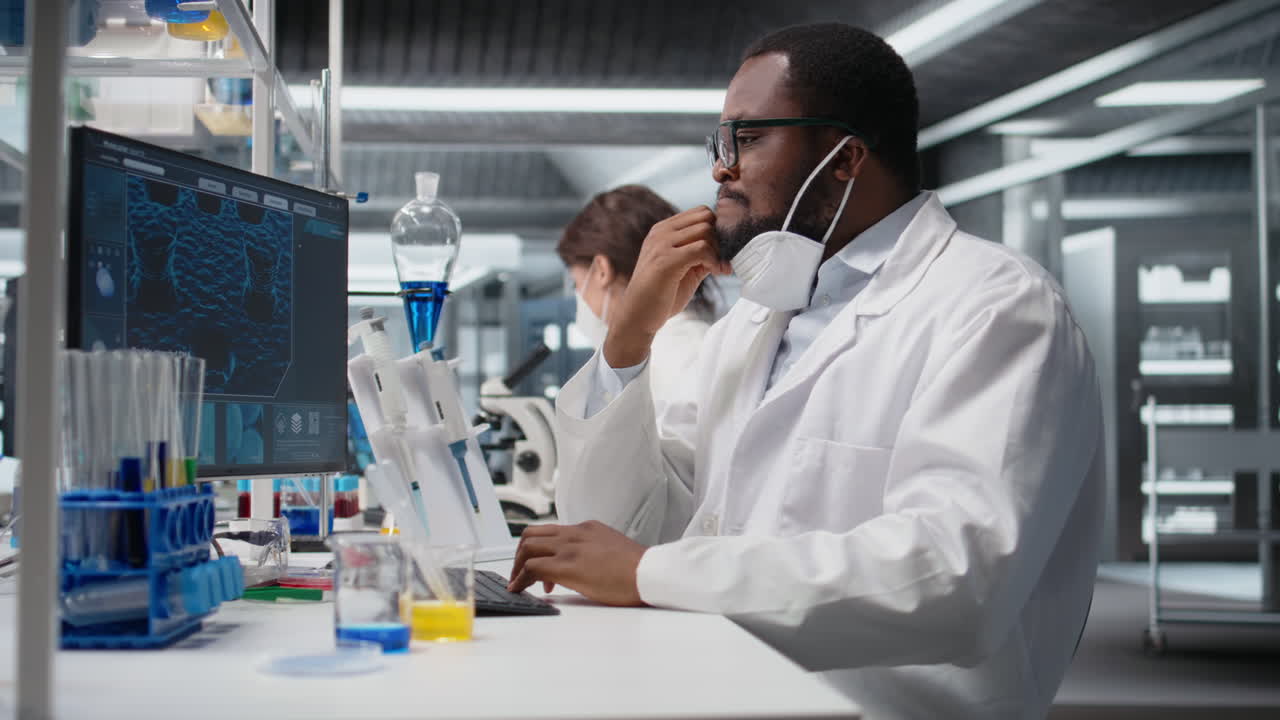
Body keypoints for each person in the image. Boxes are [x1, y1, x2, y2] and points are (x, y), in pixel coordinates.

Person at [510, 22, 1103, 720]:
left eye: (749, 139)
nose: (721, 170)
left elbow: (955, 577)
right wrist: (630, 338)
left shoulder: (995, 307)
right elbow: (620, 524)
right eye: (721, 142)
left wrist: (650, 573)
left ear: (845, 158)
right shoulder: (757, 322)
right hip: (726, 690)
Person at [558, 185, 717, 413]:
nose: (579, 298)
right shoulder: (688, 344)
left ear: (601, 270)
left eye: (578, 284)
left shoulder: (673, 357)